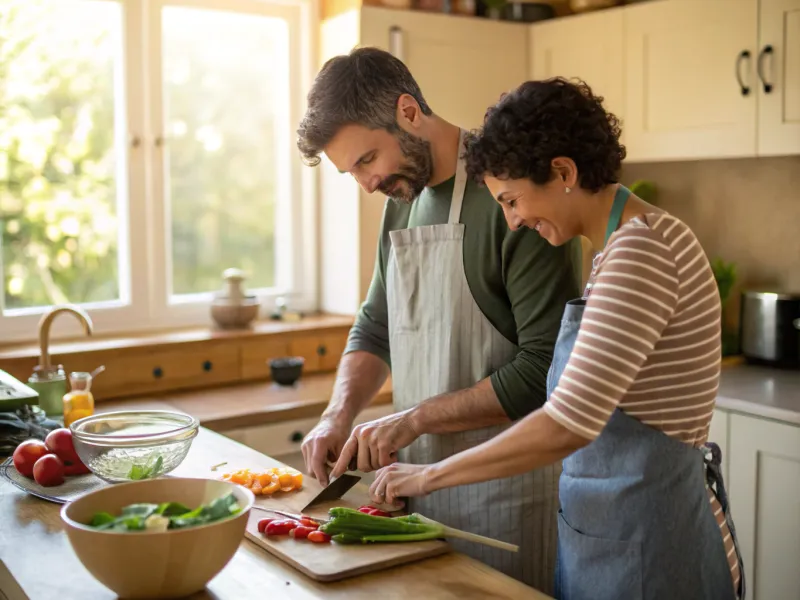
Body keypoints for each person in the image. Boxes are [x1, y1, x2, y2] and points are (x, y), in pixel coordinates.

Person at [367, 77, 746, 600]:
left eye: (513, 200)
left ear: (563, 172)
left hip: (652, 549)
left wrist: (427, 476)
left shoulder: (643, 251)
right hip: (616, 537)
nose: (513, 221)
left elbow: (567, 422)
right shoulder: (621, 248)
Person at [295, 48, 579, 593]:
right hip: (414, 494)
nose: (366, 183)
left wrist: (413, 419)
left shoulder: (512, 192)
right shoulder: (400, 199)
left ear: (407, 112)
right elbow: (375, 325)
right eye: (350, 171)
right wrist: (337, 414)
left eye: (365, 160)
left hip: (507, 499)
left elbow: (544, 370)